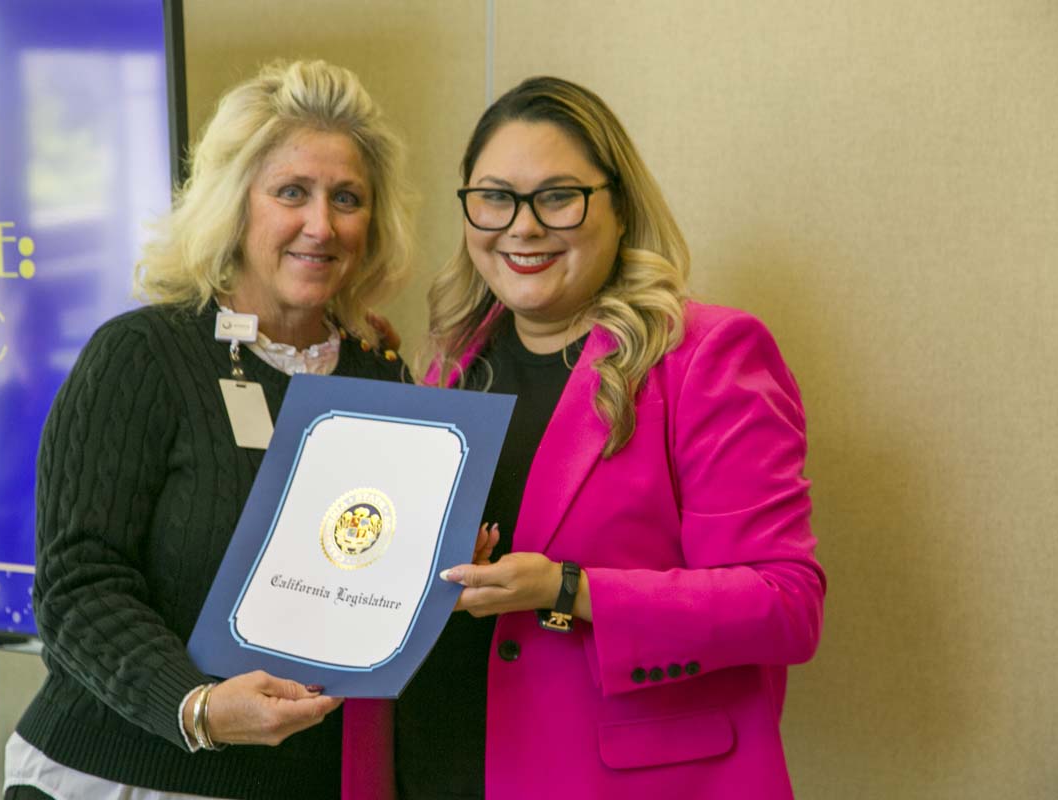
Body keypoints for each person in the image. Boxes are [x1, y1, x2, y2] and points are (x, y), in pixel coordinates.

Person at [352, 76, 826, 799]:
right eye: (495, 197)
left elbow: (785, 605)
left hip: (608, 777)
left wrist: (567, 588)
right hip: (437, 756)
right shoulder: (452, 363)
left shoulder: (707, 355)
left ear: (620, 206)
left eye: (557, 197)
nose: (523, 226)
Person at [4, 59, 414, 800]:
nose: (321, 225)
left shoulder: (383, 376)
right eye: (292, 192)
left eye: (347, 198)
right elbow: (76, 586)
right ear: (235, 204)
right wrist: (195, 708)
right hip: (120, 773)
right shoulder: (141, 355)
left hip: (303, 779)